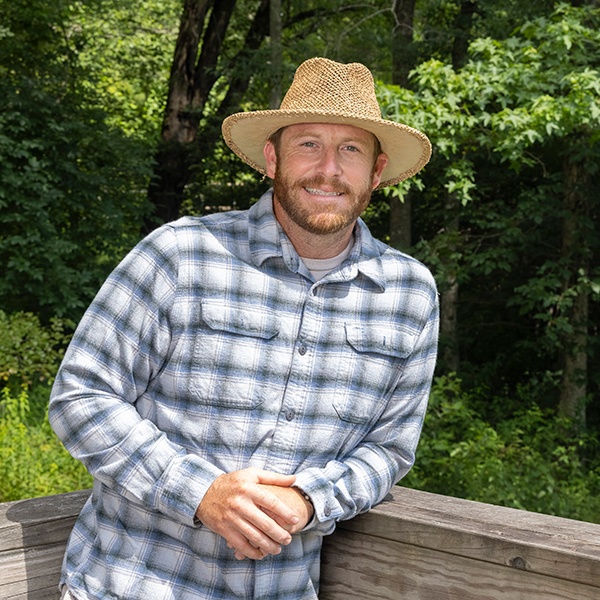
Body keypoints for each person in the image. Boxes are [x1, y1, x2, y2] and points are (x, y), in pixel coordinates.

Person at [49, 57, 439, 600]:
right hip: (129, 585)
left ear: (375, 172)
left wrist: (310, 500)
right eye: (308, 144)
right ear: (272, 157)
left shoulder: (409, 294)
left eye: (351, 149)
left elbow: (390, 450)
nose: (328, 168)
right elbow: (81, 396)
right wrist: (200, 492)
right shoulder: (181, 254)